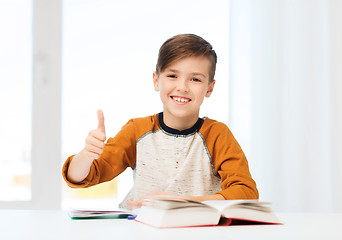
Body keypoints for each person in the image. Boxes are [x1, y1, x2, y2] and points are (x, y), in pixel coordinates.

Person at [62, 33, 259, 209]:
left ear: (209, 88)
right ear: (157, 81)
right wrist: (87, 155)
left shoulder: (217, 135)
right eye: (172, 75)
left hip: (197, 232)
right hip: (140, 229)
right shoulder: (136, 130)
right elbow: (79, 177)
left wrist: (182, 203)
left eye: (195, 79)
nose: (182, 87)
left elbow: (246, 193)